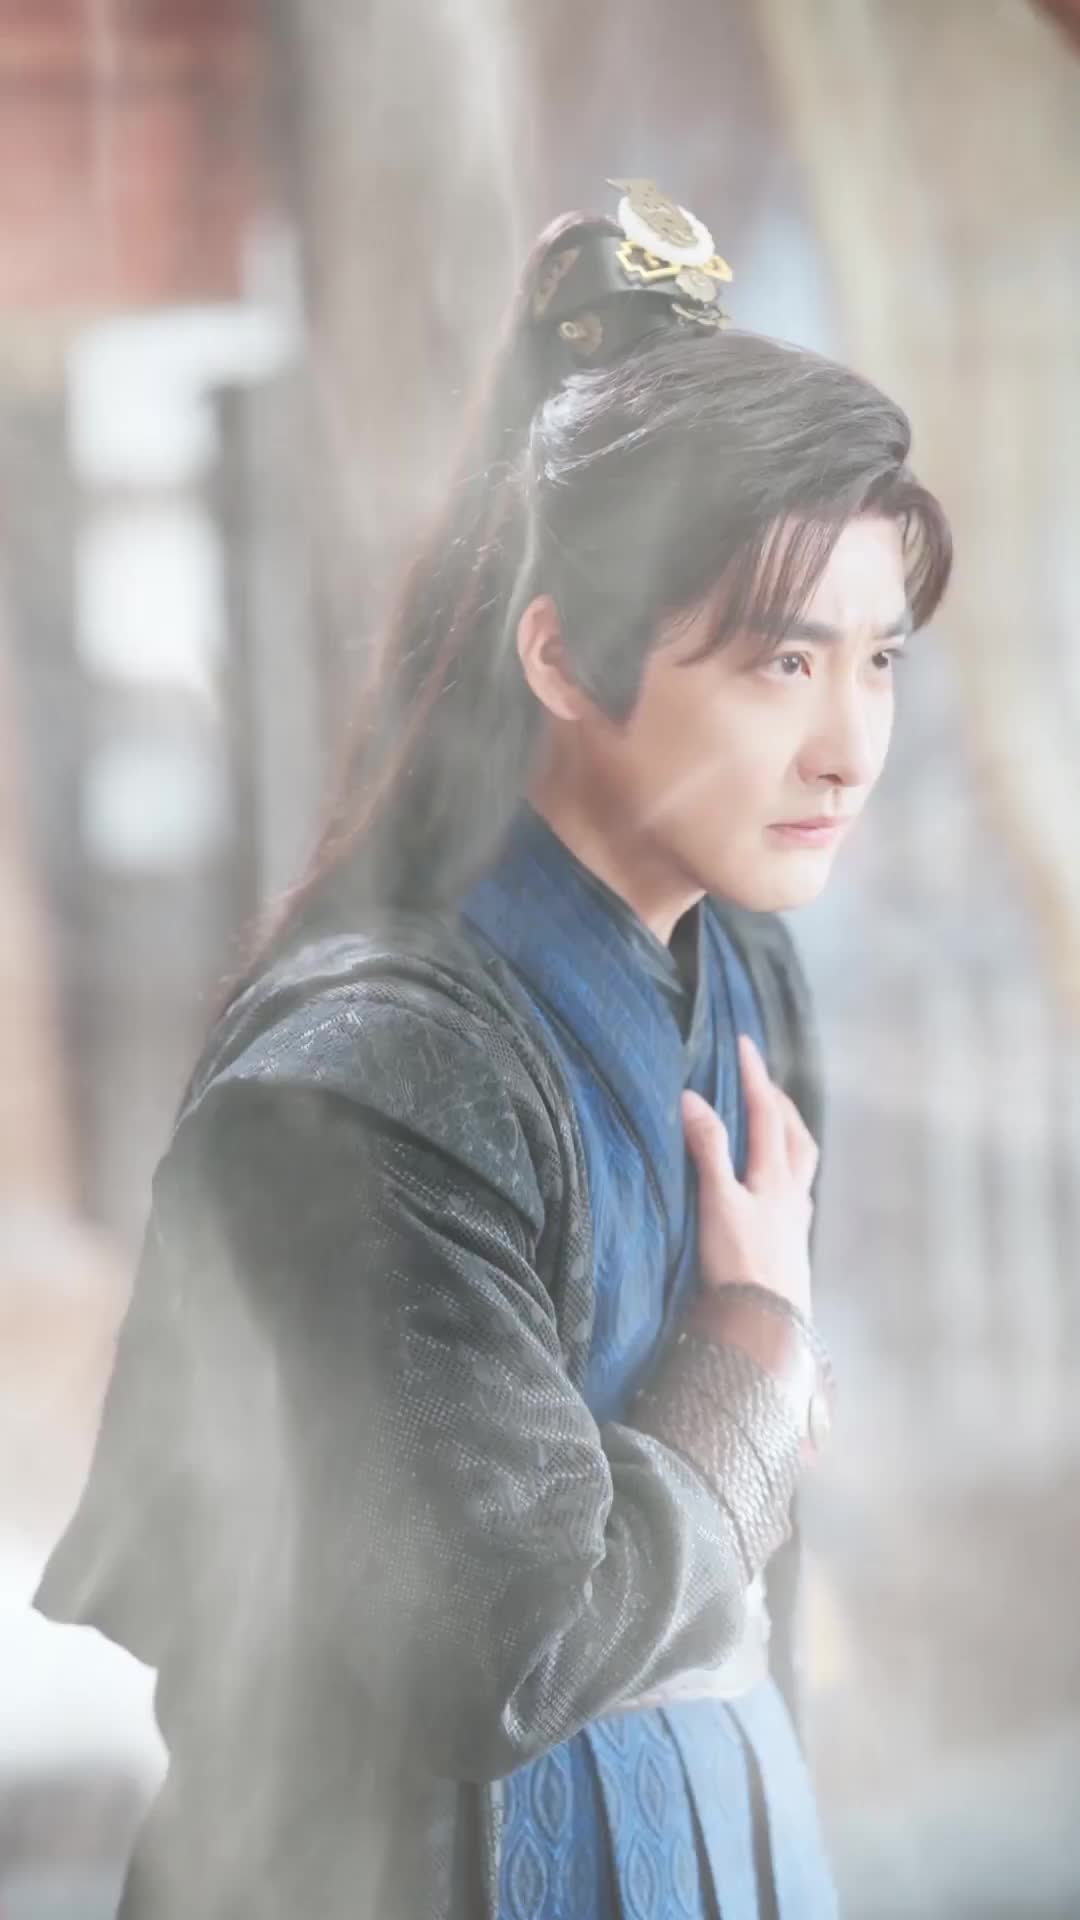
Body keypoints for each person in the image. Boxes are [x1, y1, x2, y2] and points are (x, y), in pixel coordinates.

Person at [35, 181, 952, 1920]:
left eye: (881, 661)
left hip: (720, 1829)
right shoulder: (377, 1079)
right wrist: (756, 1354)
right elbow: (501, 1649)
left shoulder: (746, 966)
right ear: (566, 657)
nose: (851, 747)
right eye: (782, 664)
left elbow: (748, 1585)